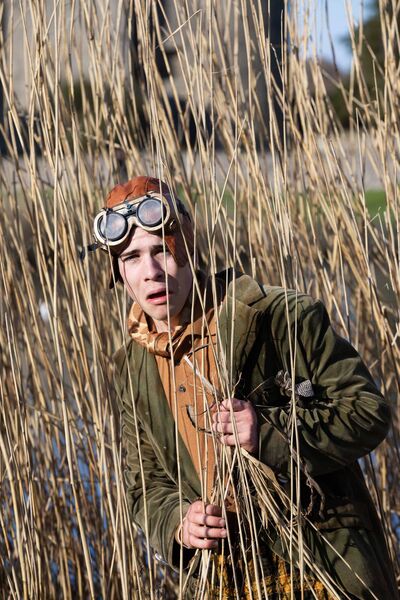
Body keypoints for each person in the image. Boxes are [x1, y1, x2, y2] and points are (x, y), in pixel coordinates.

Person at [93, 175, 398, 599]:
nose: (151, 273)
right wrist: (179, 522)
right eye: (131, 257)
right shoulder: (132, 368)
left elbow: (368, 411)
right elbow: (143, 485)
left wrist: (267, 432)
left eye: (163, 249)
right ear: (118, 271)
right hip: (229, 578)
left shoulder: (277, 317)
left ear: (190, 249)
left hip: (323, 565)